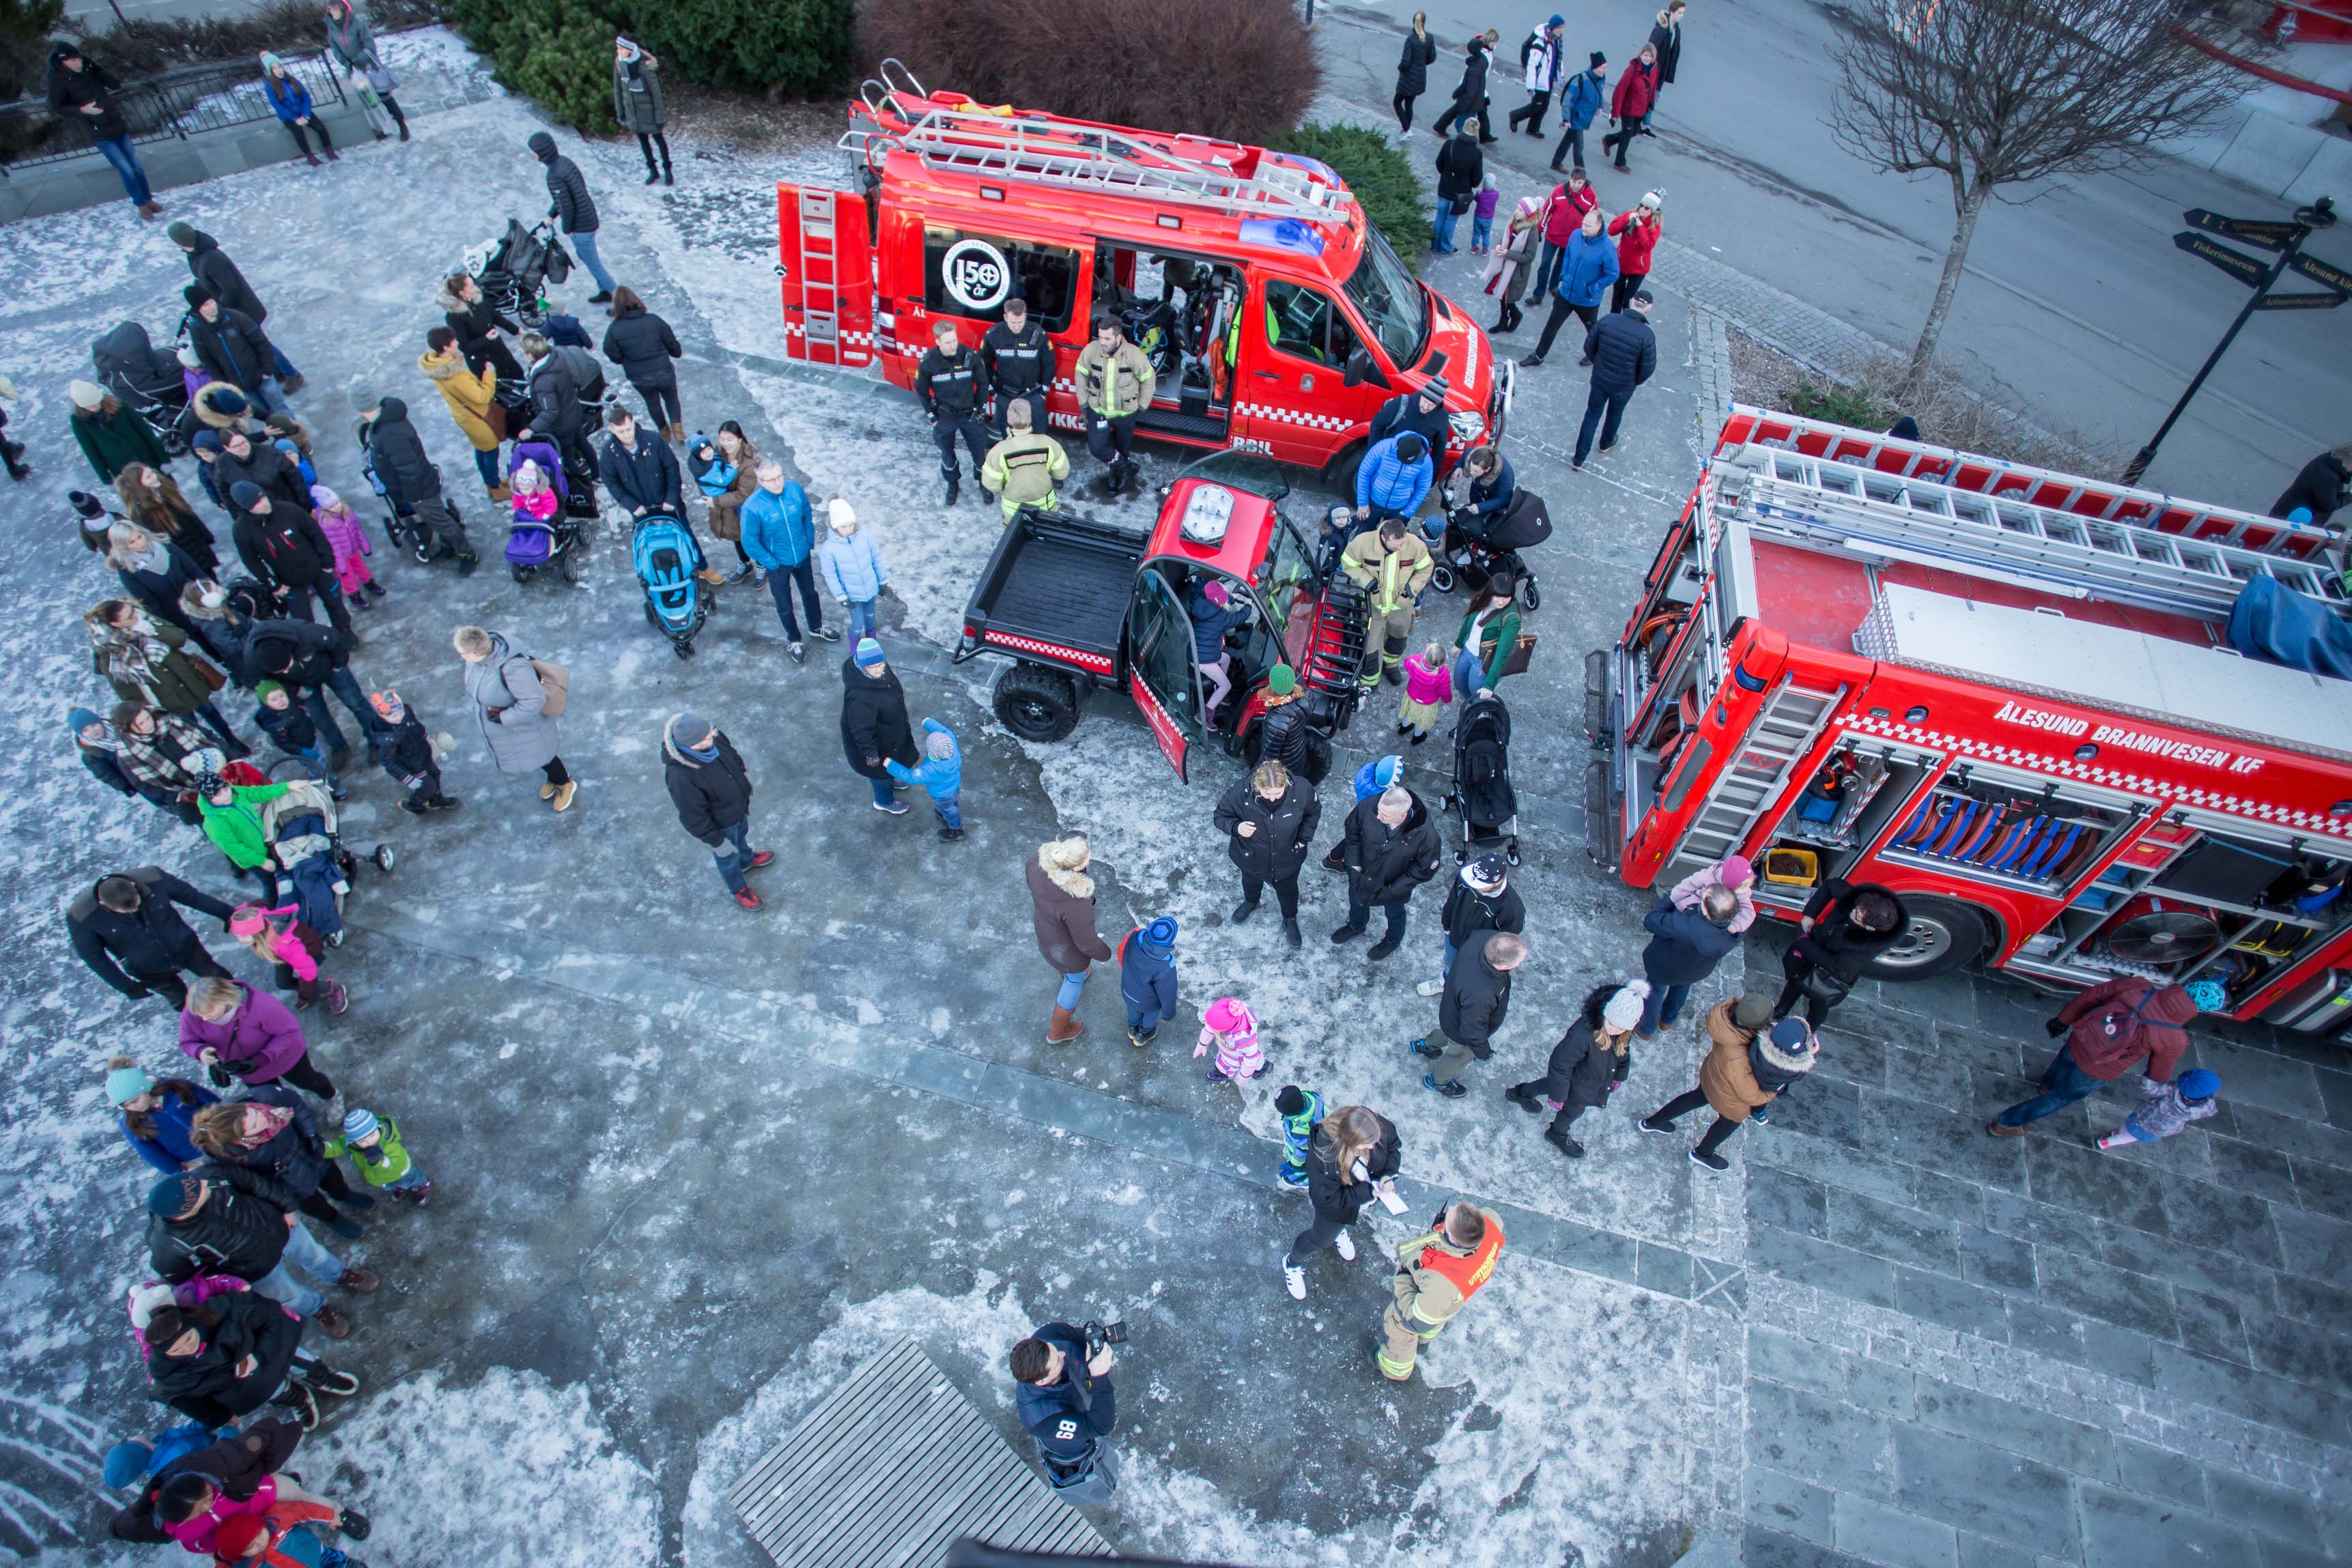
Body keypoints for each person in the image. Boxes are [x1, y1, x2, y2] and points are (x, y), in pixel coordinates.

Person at [143, 1163, 374, 1338]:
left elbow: (256, 1183)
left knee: (317, 1256)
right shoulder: (167, 1245)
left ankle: (341, 1275)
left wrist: (287, 1208)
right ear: (185, 1210)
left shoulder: (208, 1176)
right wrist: (231, 1280)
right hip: (256, 1270)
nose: (203, 1183)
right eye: (198, 1189)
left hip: (284, 1229)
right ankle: (319, 1309)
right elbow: (186, 1278)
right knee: (289, 1295)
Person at [1989, 977, 2217, 1138]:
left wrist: (2064, 1019)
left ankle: (2046, 1085)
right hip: (2101, 1067)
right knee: (2063, 1098)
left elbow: (2093, 996)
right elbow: (2158, 1074)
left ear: (2187, 987)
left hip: (2084, 1036)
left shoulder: (2138, 986)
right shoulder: (2175, 1039)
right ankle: (2006, 1123)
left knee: (2065, 1061)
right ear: (2200, 1011)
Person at [1642, 1006, 1816, 1171]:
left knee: (1694, 1097)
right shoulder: (1783, 1071)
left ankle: (1651, 1123)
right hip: (1732, 1101)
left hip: (1714, 1075)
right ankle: (1702, 1154)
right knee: (1728, 1124)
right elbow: (1757, 1097)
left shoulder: (1744, 1033)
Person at [192, 1089, 371, 1238]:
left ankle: (343, 1194)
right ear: (240, 1140)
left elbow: (296, 1105)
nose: (264, 1117)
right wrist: (282, 1199)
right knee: (316, 1207)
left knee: (334, 1179)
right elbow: (250, 1183)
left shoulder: (262, 1098)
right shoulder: (224, 1156)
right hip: (291, 1185)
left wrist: (311, 1136)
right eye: (255, 1125)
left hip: (312, 1155)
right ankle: (332, 1218)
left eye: (255, 1112)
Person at [87, 598, 245, 756]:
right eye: (130, 616)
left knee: (210, 711)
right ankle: (217, 750)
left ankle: (230, 739)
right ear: (116, 625)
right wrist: (149, 710)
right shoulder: (110, 654)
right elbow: (126, 691)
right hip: (166, 697)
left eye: (133, 610)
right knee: (189, 727)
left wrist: (150, 629)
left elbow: (179, 638)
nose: (136, 615)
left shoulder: (144, 619)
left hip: (187, 680)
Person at [1510, 979, 1643, 1156]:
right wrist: (1559, 1096)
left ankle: (1522, 1093)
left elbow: (1623, 1053)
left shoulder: (1623, 1032)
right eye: (1611, 1023)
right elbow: (1561, 1066)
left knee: (1552, 1083)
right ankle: (1557, 1133)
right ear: (1605, 1012)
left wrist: (1620, 1075)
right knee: (1573, 1110)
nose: (1614, 1030)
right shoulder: (1582, 1035)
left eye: (1621, 1028)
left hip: (1586, 1080)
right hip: (1582, 1087)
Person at [70, 868, 236, 1010]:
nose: (134, 910)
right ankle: (203, 1028)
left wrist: (229, 914)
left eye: (136, 904)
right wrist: (126, 986)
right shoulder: (81, 916)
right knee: (180, 1001)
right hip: (150, 971)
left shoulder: (154, 878)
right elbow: (93, 957)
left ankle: (244, 1003)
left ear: (135, 888)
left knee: (217, 975)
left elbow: (193, 897)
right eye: (125, 911)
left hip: (186, 948)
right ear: (105, 905)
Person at [1378, 1201, 1505, 1381]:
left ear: (1452, 1239)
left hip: (1426, 1303)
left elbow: (1416, 1321)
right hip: (1449, 1301)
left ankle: (1394, 1369)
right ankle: (1424, 1340)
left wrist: (1403, 1278)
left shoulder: (1442, 1283)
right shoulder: (1490, 1220)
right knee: (1437, 1318)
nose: (1450, 1209)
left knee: (1400, 1328)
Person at [1282, 1104, 1400, 1299]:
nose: (1372, 1147)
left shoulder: (1372, 1126)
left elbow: (1394, 1146)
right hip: (1335, 1207)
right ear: (1349, 1142)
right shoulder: (1325, 1160)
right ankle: (1291, 1263)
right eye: (1366, 1145)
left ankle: (1340, 1230)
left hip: (1361, 1198)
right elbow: (1329, 1199)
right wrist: (1369, 1191)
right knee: (1319, 1240)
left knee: (1339, 1226)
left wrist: (1388, 1174)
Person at [454, 625, 573, 811]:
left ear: (475, 653)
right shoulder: (477, 663)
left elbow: (534, 701)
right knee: (537, 756)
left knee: (544, 755)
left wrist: (504, 718)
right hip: (508, 729)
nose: (460, 656)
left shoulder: (513, 669)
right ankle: (555, 779)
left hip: (524, 728)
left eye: (462, 653)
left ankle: (563, 783)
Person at [663, 711, 774, 911]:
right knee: (727, 856)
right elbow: (692, 816)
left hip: (738, 809)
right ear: (691, 746)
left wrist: (744, 777)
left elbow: (732, 754)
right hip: (721, 824)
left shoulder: (712, 736)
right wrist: (717, 842)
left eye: (711, 731)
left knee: (741, 837)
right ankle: (738, 887)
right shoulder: (680, 776)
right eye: (707, 737)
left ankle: (746, 859)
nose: (713, 736)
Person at [1214, 758, 1319, 947]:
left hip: (1288, 857)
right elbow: (1220, 816)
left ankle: (1290, 919)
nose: (1272, 798)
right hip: (1251, 855)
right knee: (1250, 882)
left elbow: (1314, 812)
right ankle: (1251, 902)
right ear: (1257, 785)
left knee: (1288, 891)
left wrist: (1303, 840)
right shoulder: (1240, 793)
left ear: (1285, 784)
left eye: (1278, 793)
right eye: (1266, 793)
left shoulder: (1302, 790)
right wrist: (1236, 827)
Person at [1774, 879, 1907, 1026]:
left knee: (1819, 1003)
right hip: (1815, 948)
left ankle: (1808, 1031)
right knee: (1795, 981)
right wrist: (1810, 914)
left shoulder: (1867, 948)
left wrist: (1804, 943)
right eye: (1857, 908)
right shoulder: (1857, 903)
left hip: (1831, 976)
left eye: (1858, 915)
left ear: (1870, 929)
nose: (1853, 911)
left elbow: (1835, 965)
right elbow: (1831, 885)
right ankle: (1781, 1010)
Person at [47, 43, 160, 218]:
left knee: (136, 167)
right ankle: (141, 204)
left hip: (116, 122)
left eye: (78, 59)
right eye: (72, 61)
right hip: (98, 130)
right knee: (125, 169)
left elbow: (115, 85)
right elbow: (56, 107)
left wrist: (98, 70)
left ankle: (148, 199)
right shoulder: (57, 79)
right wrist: (82, 110)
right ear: (63, 62)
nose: (77, 63)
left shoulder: (89, 67)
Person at [1413, 929, 1527, 1096]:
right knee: (1458, 1055)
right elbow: (1472, 1032)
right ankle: (1437, 1081)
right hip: (1464, 1032)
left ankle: (1426, 1045)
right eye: (1519, 962)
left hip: (1452, 1014)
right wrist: (1484, 1054)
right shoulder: (1482, 994)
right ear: (1504, 966)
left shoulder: (1481, 938)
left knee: (1448, 1033)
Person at [1009, 1325, 1118, 1500]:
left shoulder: (1048, 1335)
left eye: (1055, 1350)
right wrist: (1099, 1377)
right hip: (1070, 1448)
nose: (1063, 1355)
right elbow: (1101, 1425)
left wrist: (1096, 1338)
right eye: (1057, 1360)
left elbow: (1082, 1335)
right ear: (1042, 1381)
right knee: (1084, 1455)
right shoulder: (1041, 1418)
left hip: (1078, 1397)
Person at [1334, 784, 1441, 960]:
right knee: (1356, 901)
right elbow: (1352, 831)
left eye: (1385, 815)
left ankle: (1393, 939)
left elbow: (1424, 869)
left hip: (1393, 884)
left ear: (1403, 815)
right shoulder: (1371, 806)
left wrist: (1394, 889)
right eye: (1379, 810)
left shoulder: (1426, 836)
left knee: (1395, 913)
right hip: (1363, 873)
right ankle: (1356, 926)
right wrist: (1353, 864)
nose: (1378, 816)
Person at [740, 461, 833, 661]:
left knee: (810, 594)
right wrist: (771, 562)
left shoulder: (794, 490)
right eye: (771, 479)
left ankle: (816, 626)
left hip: (801, 555)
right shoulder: (753, 507)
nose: (777, 482)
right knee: (784, 603)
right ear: (761, 481)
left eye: (779, 476)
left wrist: (808, 541)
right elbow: (750, 542)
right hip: (778, 563)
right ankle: (794, 639)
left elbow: (806, 515)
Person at [231, 483, 350, 636]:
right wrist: (273, 584)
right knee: (302, 620)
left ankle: (345, 632)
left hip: (317, 568)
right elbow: (251, 560)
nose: (265, 504)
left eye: (263, 498)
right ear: (247, 508)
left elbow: (316, 534)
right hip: (288, 580)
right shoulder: (242, 530)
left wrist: (328, 562)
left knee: (336, 604)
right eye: (257, 503)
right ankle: (316, 644)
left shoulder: (288, 510)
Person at [1030, 837, 1114, 1044]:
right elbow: (1086, 942)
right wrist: (1105, 954)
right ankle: (1058, 1031)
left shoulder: (1035, 863)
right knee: (1074, 981)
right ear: (1076, 867)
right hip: (1067, 952)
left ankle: (1066, 974)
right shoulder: (1077, 902)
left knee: (1063, 966)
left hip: (1046, 934)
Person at [1637, 883, 1742, 1036]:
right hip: (1695, 971)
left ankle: (1646, 1030)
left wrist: (1672, 899)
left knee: (1655, 992)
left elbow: (1651, 921)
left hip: (1664, 967)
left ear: (1705, 910)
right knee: (1681, 988)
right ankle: (1667, 1021)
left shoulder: (1682, 924)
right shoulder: (1736, 933)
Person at [1344, 515, 1434, 690]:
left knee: (1399, 636)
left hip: (1402, 604)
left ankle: (1390, 666)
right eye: (1396, 546)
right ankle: (1371, 680)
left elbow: (1426, 568)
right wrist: (1368, 582)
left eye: (1402, 544)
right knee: (1371, 644)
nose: (1401, 548)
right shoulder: (1362, 543)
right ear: (1384, 538)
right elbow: (1348, 564)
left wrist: (1411, 590)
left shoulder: (1414, 545)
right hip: (1374, 605)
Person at [1522, 206, 1617, 368]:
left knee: (1592, 330)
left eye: (1588, 226)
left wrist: (1593, 289)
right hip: (1566, 294)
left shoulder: (1607, 248)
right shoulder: (1575, 235)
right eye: (1583, 224)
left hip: (1587, 300)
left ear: (1598, 226)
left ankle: (1595, 354)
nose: (1583, 228)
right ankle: (1538, 356)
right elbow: (1568, 256)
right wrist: (1564, 275)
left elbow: (1613, 274)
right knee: (1551, 325)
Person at [1419, 851, 1523, 999]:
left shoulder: (1512, 909)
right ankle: (1445, 982)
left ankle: (1462, 994)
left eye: (1480, 884)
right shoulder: (1467, 877)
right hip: (1454, 936)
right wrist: (1447, 927)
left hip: (1479, 953)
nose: (1473, 885)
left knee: (1471, 975)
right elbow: (1452, 901)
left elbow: (1507, 940)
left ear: (1497, 882)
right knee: (1450, 963)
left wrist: (1487, 958)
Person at [420, 326, 507, 500]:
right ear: (446, 347)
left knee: (481, 449)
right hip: (479, 418)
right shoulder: (455, 375)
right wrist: (489, 374)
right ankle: (495, 487)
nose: (458, 343)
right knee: (490, 450)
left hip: (465, 416)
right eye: (454, 341)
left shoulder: (439, 367)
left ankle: (490, 482)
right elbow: (482, 397)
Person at [1572, 291, 1658, 468]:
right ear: (1648, 309)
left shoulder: (1609, 320)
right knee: (1615, 413)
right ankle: (1606, 442)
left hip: (1600, 379)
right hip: (1624, 385)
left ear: (1631, 302)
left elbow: (1589, 346)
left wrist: (1599, 364)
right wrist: (1634, 380)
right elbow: (1647, 368)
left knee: (1592, 414)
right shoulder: (1646, 335)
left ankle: (1579, 458)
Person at [913, 317, 993, 506]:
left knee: (979, 452)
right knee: (947, 453)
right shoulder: (929, 362)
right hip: (945, 415)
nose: (953, 345)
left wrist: (980, 408)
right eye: (948, 342)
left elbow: (983, 382)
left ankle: (984, 484)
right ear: (938, 342)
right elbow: (921, 389)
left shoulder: (969, 355)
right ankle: (952, 483)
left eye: (954, 340)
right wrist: (932, 415)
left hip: (969, 413)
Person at [530, 130, 614, 303]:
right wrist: (551, 214)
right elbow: (573, 193)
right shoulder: (565, 162)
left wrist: (567, 228)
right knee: (588, 258)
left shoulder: (553, 175)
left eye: (534, 151)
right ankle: (604, 291)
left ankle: (620, 301)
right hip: (589, 217)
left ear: (541, 152)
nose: (533, 154)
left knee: (595, 265)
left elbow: (566, 205)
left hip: (580, 226)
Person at [1074, 320, 1154, 495]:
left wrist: (1142, 405)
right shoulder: (1091, 350)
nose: (1103, 342)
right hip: (1098, 410)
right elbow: (1080, 373)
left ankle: (1116, 473)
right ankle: (1125, 467)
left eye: (1107, 338)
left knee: (1122, 447)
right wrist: (1084, 403)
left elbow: (1148, 378)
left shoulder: (1133, 354)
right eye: (1101, 337)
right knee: (1097, 447)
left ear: (1118, 337)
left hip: (1125, 413)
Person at [840, 636, 918, 814]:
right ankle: (884, 800)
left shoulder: (880, 669)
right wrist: (871, 755)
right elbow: (861, 731)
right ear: (862, 665)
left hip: (890, 734)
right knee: (880, 773)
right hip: (876, 746)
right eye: (873, 667)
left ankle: (893, 777)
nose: (879, 670)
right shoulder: (860, 698)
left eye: (880, 664)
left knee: (893, 763)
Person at [107, 1057, 221, 1173]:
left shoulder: (177, 1089)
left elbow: (215, 1104)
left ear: (145, 1088)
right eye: (126, 1106)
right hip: (196, 1161)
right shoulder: (132, 1123)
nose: (134, 1107)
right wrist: (176, 1171)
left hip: (223, 1141)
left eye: (135, 1100)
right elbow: (150, 1152)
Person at [227, 902, 344, 1014]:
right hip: (279, 952)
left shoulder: (285, 946)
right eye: (237, 936)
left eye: (243, 936)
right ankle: (309, 990)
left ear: (257, 933)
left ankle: (331, 988)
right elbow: (258, 904)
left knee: (300, 981)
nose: (240, 941)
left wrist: (305, 995)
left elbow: (308, 971)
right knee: (282, 983)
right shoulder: (257, 917)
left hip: (305, 948)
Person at [602, 285, 685, 440]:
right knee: (671, 398)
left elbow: (611, 352)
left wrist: (623, 359)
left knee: (652, 403)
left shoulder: (614, 329)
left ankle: (664, 431)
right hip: (663, 371)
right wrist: (676, 352)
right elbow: (671, 342)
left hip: (639, 376)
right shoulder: (654, 320)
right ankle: (678, 429)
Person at [111, 702, 212, 823]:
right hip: (187, 795)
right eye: (141, 724)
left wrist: (233, 756)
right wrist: (175, 797)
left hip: (211, 774)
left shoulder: (169, 721)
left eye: (148, 718)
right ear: (129, 729)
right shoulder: (128, 756)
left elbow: (206, 735)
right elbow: (143, 784)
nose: (149, 724)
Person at [518, 331, 597, 487]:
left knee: (566, 456)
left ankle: (582, 483)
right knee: (583, 444)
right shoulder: (557, 358)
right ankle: (597, 474)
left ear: (529, 354)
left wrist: (532, 429)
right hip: (573, 413)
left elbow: (550, 411)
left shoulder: (543, 381)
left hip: (561, 425)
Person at [117, 463, 221, 578]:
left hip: (198, 546)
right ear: (139, 485)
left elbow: (190, 515)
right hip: (184, 556)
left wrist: (206, 538)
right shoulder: (143, 512)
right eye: (148, 477)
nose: (155, 476)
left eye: (152, 472)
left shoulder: (165, 490)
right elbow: (161, 541)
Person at [366, 689, 456, 816]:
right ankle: (414, 804)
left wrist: (427, 737)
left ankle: (436, 800)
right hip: (412, 767)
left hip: (423, 754)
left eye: (400, 712)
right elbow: (389, 762)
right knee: (428, 787)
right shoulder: (388, 739)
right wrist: (407, 778)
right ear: (381, 716)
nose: (399, 717)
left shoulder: (406, 713)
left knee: (435, 774)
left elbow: (417, 726)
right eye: (393, 716)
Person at [324, 0, 407, 139]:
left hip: (370, 69)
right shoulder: (332, 27)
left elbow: (370, 47)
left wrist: (357, 60)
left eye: (334, 9)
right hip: (354, 71)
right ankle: (383, 128)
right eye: (330, 9)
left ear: (342, 9)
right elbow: (334, 47)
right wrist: (345, 62)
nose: (331, 12)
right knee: (370, 101)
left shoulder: (358, 24)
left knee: (384, 97)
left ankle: (401, 125)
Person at [694, 423, 761, 582]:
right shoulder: (716, 453)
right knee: (736, 537)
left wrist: (716, 500)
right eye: (722, 439)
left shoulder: (749, 462)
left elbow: (743, 494)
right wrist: (707, 495)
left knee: (753, 539)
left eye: (730, 439)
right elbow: (703, 476)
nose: (725, 443)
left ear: (739, 439)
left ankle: (761, 566)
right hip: (727, 508)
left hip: (744, 508)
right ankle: (745, 564)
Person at [981, 401, 1069, 521]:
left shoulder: (998, 452)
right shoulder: (1049, 444)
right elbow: (1061, 473)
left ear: (1009, 420)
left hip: (1014, 512)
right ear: (1029, 418)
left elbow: (992, 485)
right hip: (1046, 507)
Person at [70, 379, 169, 484]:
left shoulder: (120, 405)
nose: (93, 408)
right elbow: (90, 451)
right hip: (123, 472)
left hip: (147, 460)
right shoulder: (78, 421)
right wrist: (106, 479)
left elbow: (145, 432)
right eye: (88, 406)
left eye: (95, 403)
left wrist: (164, 459)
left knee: (168, 491)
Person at [2097, 1069, 2222, 1152]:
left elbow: (2151, 1088)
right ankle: (2111, 1140)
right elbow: (2211, 1109)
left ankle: (2109, 1141)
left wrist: (2150, 1074)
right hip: (2162, 1129)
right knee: (2132, 1136)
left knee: (2128, 1130)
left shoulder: (2173, 1090)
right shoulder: (2205, 1107)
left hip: (2144, 1118)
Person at [326, 1106, 430, 1203]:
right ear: (353, 1141)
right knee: (389, 1185)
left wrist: (378, 1161)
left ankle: (423, 1185)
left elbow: (395, 1164)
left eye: (373, 1135)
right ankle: (399, 1187)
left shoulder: (389, 1144)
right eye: (363, 1141)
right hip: (379, 1178)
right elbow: (339, 1145)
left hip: (400, 1172)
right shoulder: (351, 1143)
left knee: (411, 1179)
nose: (370, 1142)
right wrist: (324, 1148)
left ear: (378, 1128)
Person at [438, 271, 526, 388]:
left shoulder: (477, 300)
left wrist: (516, 330)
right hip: (484, 363)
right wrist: (486, 339)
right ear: (462, 293)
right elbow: (464, 346)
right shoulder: (454, 317)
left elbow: (495, 317)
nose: (475, 288)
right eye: (471, 286)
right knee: (504, 392)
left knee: (519, 379)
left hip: (500, 352)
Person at [818, 497, 888, 643]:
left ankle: (872, 643)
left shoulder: (864, 536)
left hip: (870, 588)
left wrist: (882, 580)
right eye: (844, 527)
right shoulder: (829, 549)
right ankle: (855, 648)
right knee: (858, 624)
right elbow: (830, 574)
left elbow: (876, 557)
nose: (848, 529)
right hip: (851, 595)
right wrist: (841, 596)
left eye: (851, 525)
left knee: (870, 619)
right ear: (835, 526)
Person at [980, 296, 1053, 436]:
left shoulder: (1038, 334)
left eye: (1020, 322)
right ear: (1005, 317)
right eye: (1013, 322)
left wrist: (1043, 392)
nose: (1017, 326)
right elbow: (983, 365)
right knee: (1007, 436)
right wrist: (993, 393)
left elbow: (1049, 364)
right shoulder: (993, 335)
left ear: (1025, 316)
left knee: (1040, 434)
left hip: (1032, 393)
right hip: (1005, 394)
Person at [885, 718, 965, 841]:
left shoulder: (931, 769)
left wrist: (891, 766)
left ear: (933, 753)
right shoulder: (952, 747)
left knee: (949, 811)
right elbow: (945, 731)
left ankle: (956, 830)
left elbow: (910, 776)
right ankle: (945, 812)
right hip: (954, 786)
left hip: (941, 795)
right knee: (951, 802)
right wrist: (928, 723)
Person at [309, 486, 380, 612]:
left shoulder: (348, 514)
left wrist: (365, 547)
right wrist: (340, 566)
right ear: (326, 509)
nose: (337, 507)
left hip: (353, 551)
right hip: (341, 556)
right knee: (347, 577)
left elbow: (357, 531)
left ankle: (369, 583)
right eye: (332, 506)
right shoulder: (327, 524)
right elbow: (334, 547)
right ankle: (354, 595)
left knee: (362, 568)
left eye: (337, 503)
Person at [1368, 375, 1454, 476]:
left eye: (1431, 405)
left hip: (1412, 470)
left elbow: (1439, 449)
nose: (1426, 407)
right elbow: (1377, 425)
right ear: (1422, 394)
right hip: (1388, 460)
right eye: (1425, 402)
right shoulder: (1402, 403)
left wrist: (1431, 477)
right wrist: (1375, 455)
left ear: (1438, 404)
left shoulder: (1442, 417)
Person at [1187, 578, 1250, 718]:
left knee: (1226, 658)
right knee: (1226, 686)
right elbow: (1239, 618)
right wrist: (1248, 606)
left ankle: (1218, 689)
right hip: (1204, 660)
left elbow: (1219, 600)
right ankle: (1205, 715)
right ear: (1221, 601)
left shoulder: (1200, 604)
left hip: (1197, 652)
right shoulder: (1221, 616)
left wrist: (1231, 599)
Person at [1484, 193, 1546, 332]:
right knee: (1502, 296)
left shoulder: (1532, 232)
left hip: (1517, 272)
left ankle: (1515, 316)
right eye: (1517, 208)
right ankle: (1505, 320)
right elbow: (1506, 239)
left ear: (1528, 214)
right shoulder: (1513, 223)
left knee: (1508, 298)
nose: (1516, 211)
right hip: (1505, 267)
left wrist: (1508, 253)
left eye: (1520, 210)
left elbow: (1529, 257)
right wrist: (1500, 246)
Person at [257, 54, 335, 165]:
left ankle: (329, 150)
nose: (278, 70)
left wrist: (305, 114)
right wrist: (294, 118)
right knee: (298, 132)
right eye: (274, 68)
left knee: (320, 127)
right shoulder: (270, 86)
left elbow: (306, 97)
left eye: (279, 67)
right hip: (288, 116)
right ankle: (310, 155)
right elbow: (277, 106)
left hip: (303, 112)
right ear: (271, 71)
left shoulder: (291, 80)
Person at [1532, 167, 1598, 297]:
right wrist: (1540, 228)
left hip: (1572, 240)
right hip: (1553, 235)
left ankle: (1554, 286)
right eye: (1574, 182)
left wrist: (1587, 237)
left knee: (1561, 265)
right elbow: (1547, 210)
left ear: (1584, 181)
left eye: (1580, 183)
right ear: (1570, 179)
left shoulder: (1590, 196)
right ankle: (1538, 294)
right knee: (1545, 264)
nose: (1576, 186)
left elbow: (1592, 218)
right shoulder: (1558, 191)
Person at [613, 37, 670, 184]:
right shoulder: (620, 65)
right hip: (634, 113)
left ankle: (667, 169)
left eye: (621, 48)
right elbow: (618, 89)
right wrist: (620, 112)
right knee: (643, 141)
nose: (618, 51)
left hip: (649, 113)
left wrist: (659, 118)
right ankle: (653, 170)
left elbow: (656, 95)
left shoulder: (645, 68)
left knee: (659, 139)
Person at [1118, 915, 1180, 1048]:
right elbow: (1167, 992)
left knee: (1133, 1009)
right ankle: (1144, 1034)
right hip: (1148, 1001)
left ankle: (1132, 1028)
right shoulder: (1165, 965)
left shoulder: (1134, 937)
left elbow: (1122, 951)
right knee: (1149, 1016)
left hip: (1128, 989)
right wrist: (1169, 1014)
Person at [1432, 31, 1499, 141]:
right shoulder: (1484, 56)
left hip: (1473, 86)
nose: (1496, 45)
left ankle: (1441, 126)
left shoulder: (1482, 52)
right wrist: (1483, 93)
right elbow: (1479, 76)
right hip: (1472, 87)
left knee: (1466, 109)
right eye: (1495, 42)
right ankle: (1482, 135)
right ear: (1490, 41)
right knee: (1466, 109)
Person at [1601, 44, 1660, 171]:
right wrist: (1615, 114)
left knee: (1634, 131)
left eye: (1650, 56)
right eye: (1645, 55)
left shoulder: (1654, 69)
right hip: (1629, 107)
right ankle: (1620, 162)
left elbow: (1653, 87)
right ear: (1641, 55)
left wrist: (1651, 102)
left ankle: (1609, 140)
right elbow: (1620, 91)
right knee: (1627, 133)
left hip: (1641, 109)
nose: (1647, 58)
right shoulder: (1632, 70)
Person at [1669, 853, 1757, 934]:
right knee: (1681, 916)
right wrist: (1674, 898)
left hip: (1717, 915)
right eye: (1743, 887)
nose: (1746, 890)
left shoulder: (1742, 893)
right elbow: (1689, 884)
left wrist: (1736, 925)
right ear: (1729, 884)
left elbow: (1749, 911)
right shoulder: (1708, 876)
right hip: (1699, 902)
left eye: (1748, 886)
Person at [1548, 50, 1607, 172]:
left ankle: (1556, 163)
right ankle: (1581, 174)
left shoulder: (1601, 80)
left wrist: (1600, 106)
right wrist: (1566, 119)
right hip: (1576, 119)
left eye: (1605, 67)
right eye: (1602, 68)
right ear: (1595, 68)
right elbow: (1567, 100)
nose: (1604, 70)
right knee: (1579, 148)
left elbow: (1599, 94)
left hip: (1583, 117)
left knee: (1567, 141)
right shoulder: (1581, 80)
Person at [1431, 122, 1482, 255]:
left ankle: (1435, 244)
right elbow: (1477, 180)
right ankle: (1445, 247)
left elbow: (1439, 164)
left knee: (1440, 216)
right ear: (1476, 132)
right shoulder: (1476, 153)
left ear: (1463, 128)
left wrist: (1447, 175)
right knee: (1451, 220)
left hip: (1444, 187)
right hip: (1460, 193)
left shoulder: (1450, 144)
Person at [1608, 192, 1663, 311]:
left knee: (1628, 299)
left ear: (1652, 211)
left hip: (1638, 269)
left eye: (1647, 208)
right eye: (1641, 205)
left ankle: (1627, 320)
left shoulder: (1654, 225)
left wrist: (1640, 227)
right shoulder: (1631, 214)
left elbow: (1648, 245)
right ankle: (1614, 320)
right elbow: (1611, 230)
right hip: (1622, 263)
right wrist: (1626, 220)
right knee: (1617, 296)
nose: (1642, 209)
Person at [1509, 16, 1565, 135]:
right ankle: (1515, 116)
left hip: (1548, 79)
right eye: (1560, 28)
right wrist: (1530, 86)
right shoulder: (1540, 42)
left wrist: (1560, 73)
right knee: (1536, 106)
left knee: (1543, 107)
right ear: (1553, 27)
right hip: (1540, 80)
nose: (1561, 30)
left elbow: (1557, 58)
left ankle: (1533, 129)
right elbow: (1532, 65)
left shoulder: (1556, 40)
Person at [2272, 444, 2351, 526]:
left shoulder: (2327, 460)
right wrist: (2350, 495)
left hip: (2289, 508)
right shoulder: (2330, 477)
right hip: (2297, 520)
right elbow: (2329, 506)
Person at [1195, 995, 1262, 1083]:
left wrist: (1244, 1076)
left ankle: (1222, 1074)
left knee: (1225, 1065)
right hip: (1243, 1051)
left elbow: (1251, 1059)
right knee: (1258, 1060)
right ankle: (1262, 1067)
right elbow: (1211, 1026)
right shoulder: (1231, 1010)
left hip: (1235, 1057)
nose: (1211, 1028)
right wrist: (1203, 1043)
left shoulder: (1243, 1040)